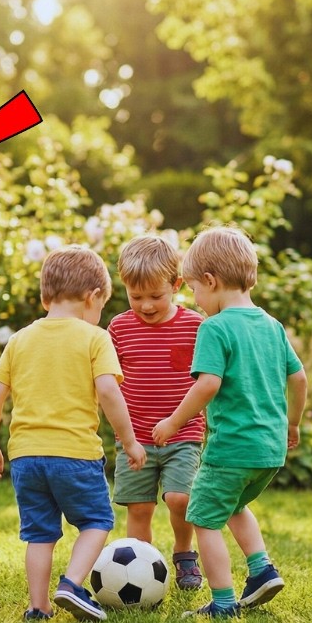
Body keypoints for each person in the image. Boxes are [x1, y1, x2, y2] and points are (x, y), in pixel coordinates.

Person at [0, 245, 148, 623]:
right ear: (92, 297)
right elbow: (108, 392)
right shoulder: (94, 337)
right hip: (75, 454)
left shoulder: (20, 340)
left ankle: (38, 607)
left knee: (39, 534)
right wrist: (130, 441)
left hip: (26, 457)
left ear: (45, 298)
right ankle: (71, 583)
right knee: (97, 521)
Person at [151, 226, 308, 619]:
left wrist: (173, 422)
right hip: (269, 450)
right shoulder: (271, 325)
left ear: (211, 281)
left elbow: (207, 384)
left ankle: (222, 602)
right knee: (235, 505)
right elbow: (299, 378)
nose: (195, 300)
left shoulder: (215, 327)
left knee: (203, 518)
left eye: (193, 290)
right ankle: (262, 570)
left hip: (230, 449)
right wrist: (292, 424)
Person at [107, 234, 205, 590]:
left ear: (176, 286)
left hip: (184, 433)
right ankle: (139, 569)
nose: (146, 306)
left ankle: (184, 553)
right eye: (136, 297)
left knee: (181, 497)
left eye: (155, 296)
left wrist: (178, 421)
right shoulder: (119, 328)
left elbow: (206, 380)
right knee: (140, 507)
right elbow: (108, 382)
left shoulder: (195, 326)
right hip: (134, 437)